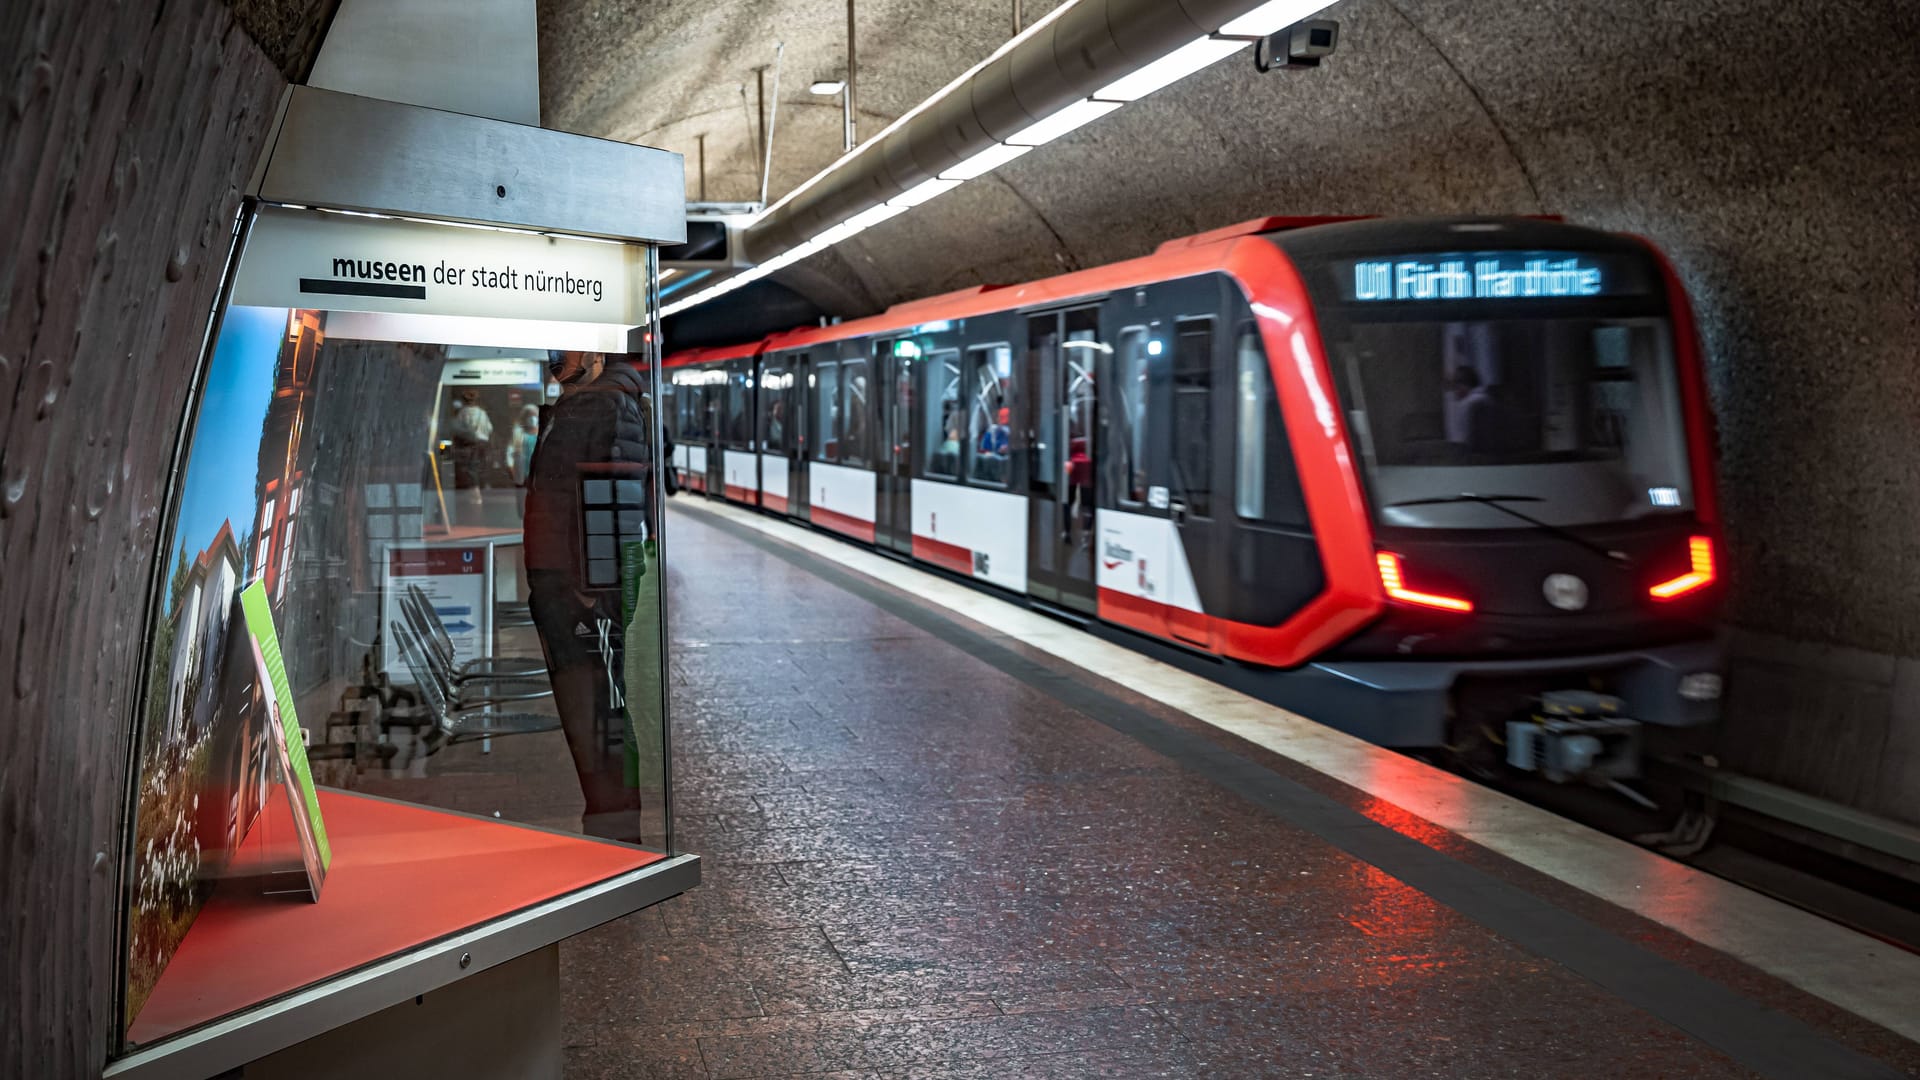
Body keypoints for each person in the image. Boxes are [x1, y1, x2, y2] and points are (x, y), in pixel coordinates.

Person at [523, 351, 660, 842]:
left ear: (597, 351)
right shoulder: (582, 402)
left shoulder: (609, 405)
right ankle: (606, 823)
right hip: (569, 585)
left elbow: (615, 502)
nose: (556, 357)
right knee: (587, 711)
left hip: (588, 590)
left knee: (601, 709)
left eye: (567, 346)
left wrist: (591, 594)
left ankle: (618, 836)